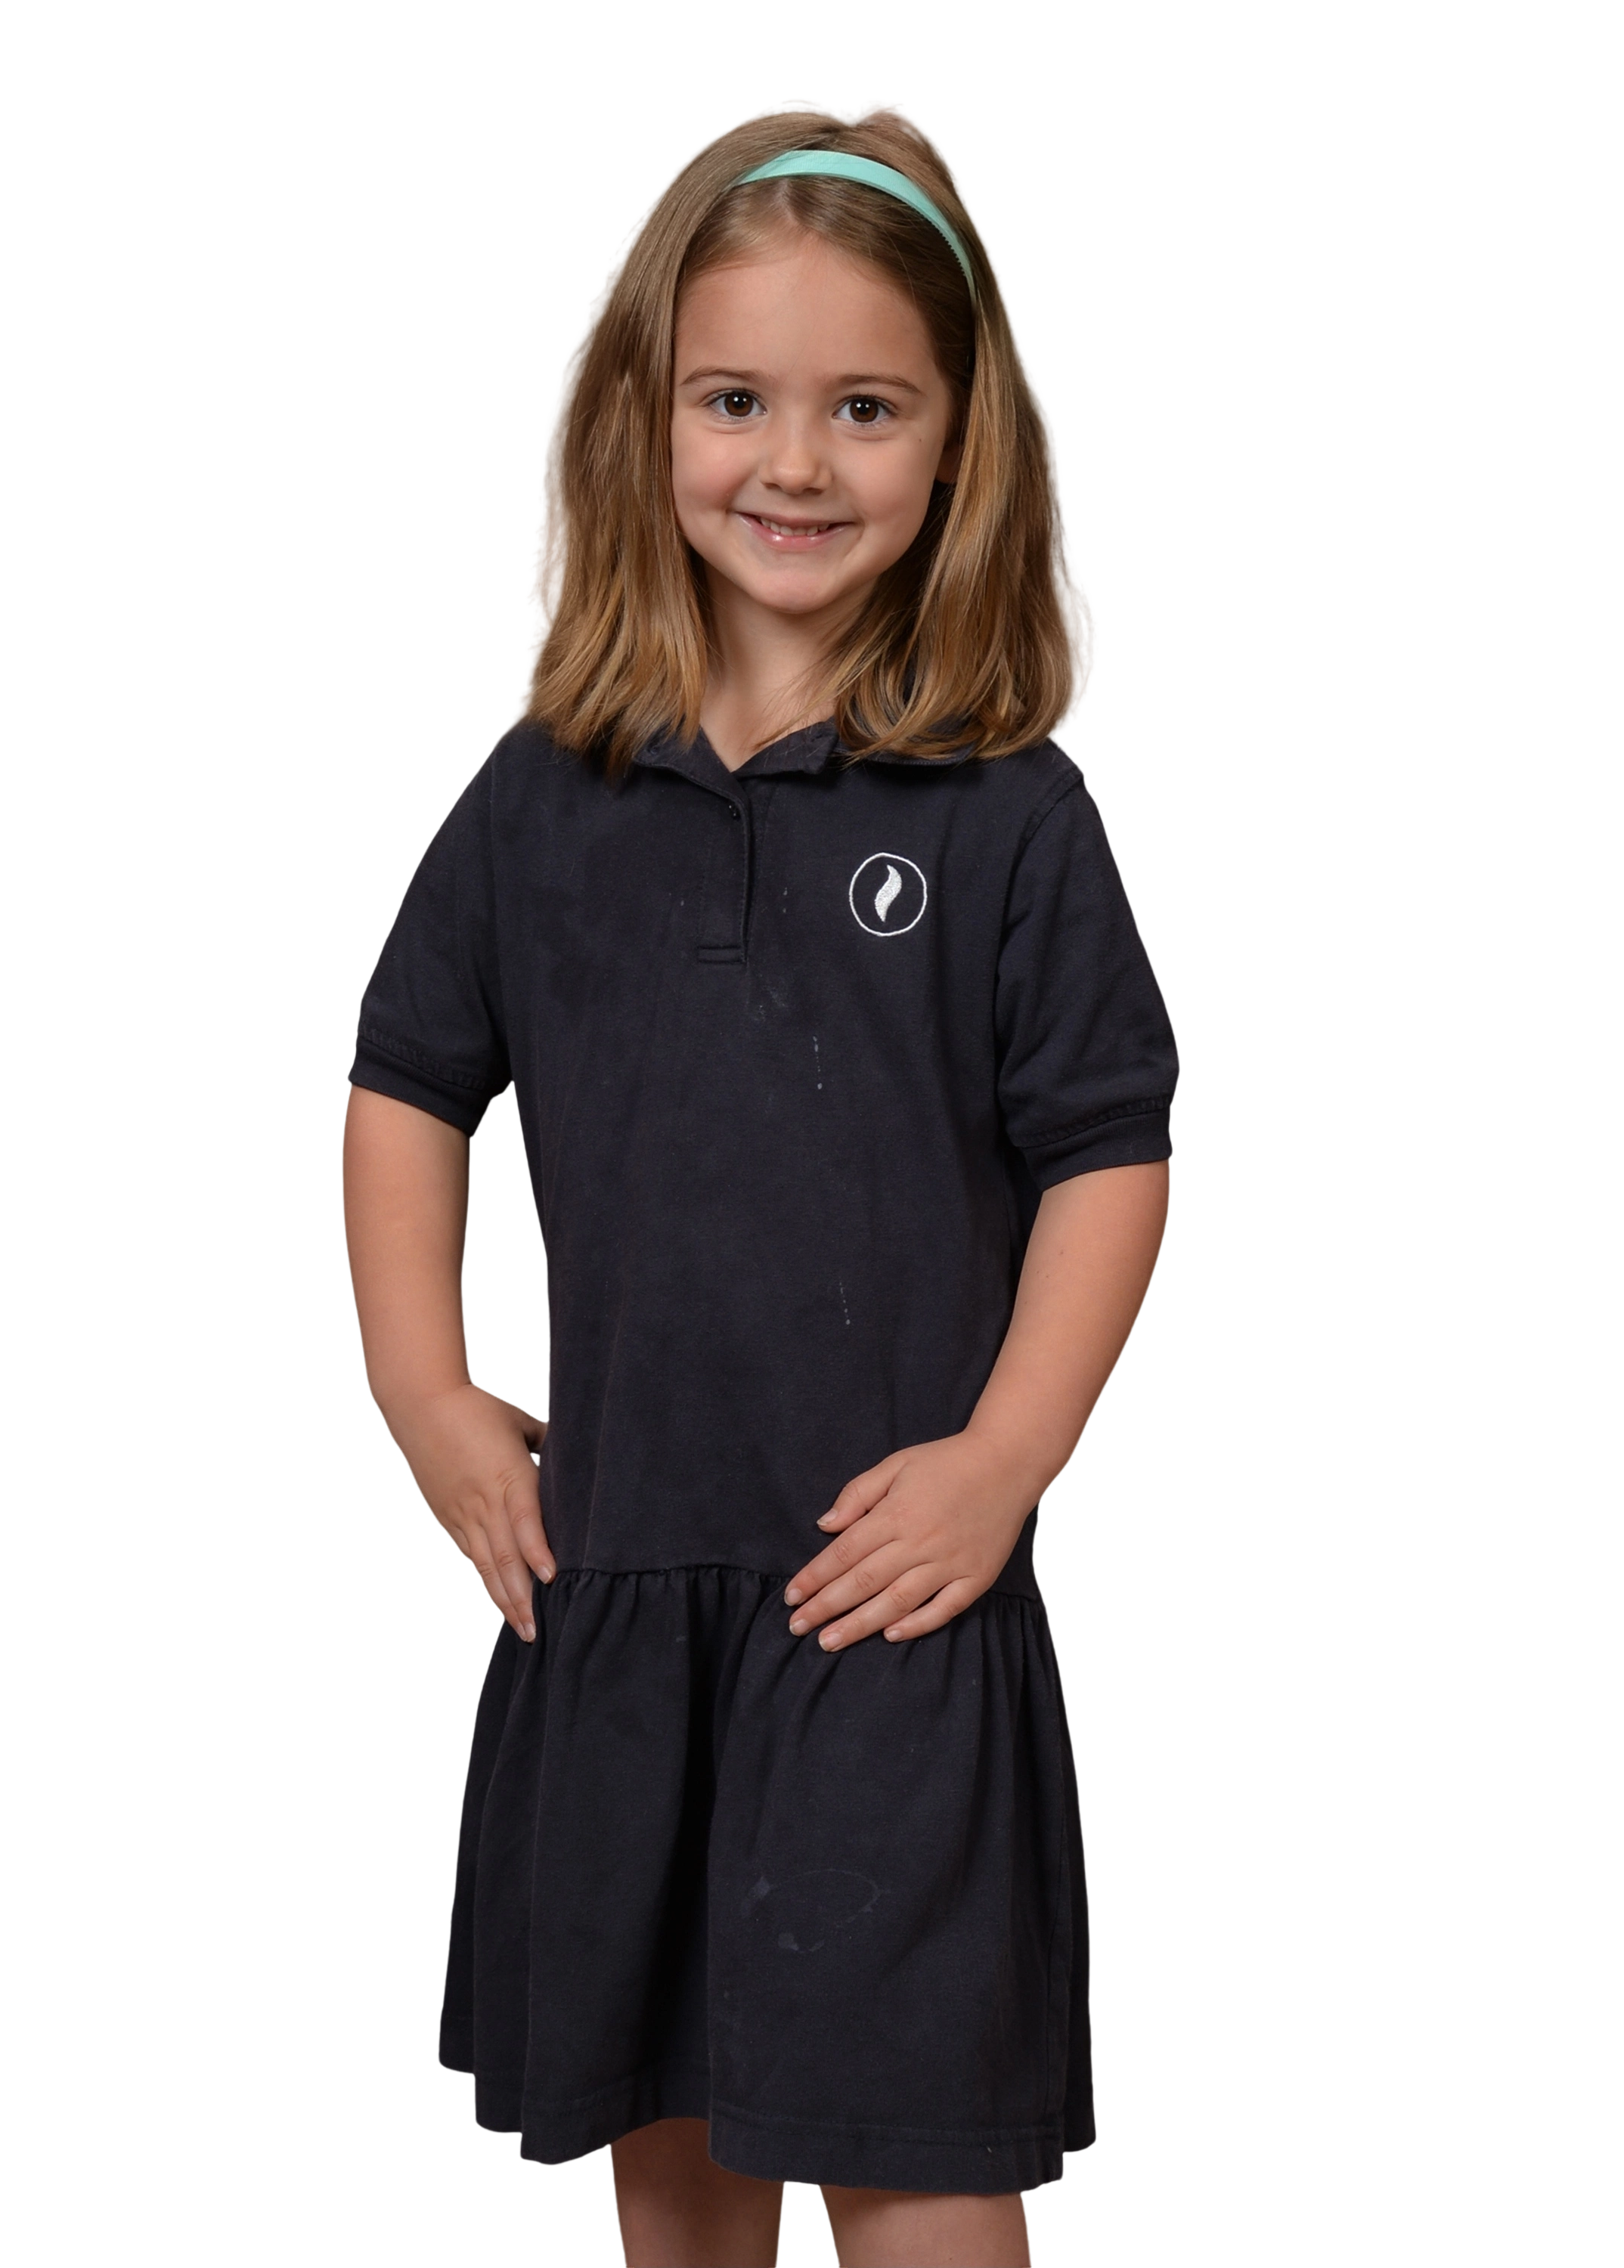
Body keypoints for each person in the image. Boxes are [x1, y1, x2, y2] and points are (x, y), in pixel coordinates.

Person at [339, 94, 1181, 2268]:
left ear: (962, 442)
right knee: (680, 2175)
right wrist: (431, 1398)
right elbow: (404, 1082)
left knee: (927, 2186)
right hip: (625, 1595)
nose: (794, 464)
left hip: (896, 1608)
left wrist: (1006, 1461)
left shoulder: (1010, 812)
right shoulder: (541, 800)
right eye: (736, 400)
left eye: (864, 408)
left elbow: (1110, 1150)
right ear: (642, 419)